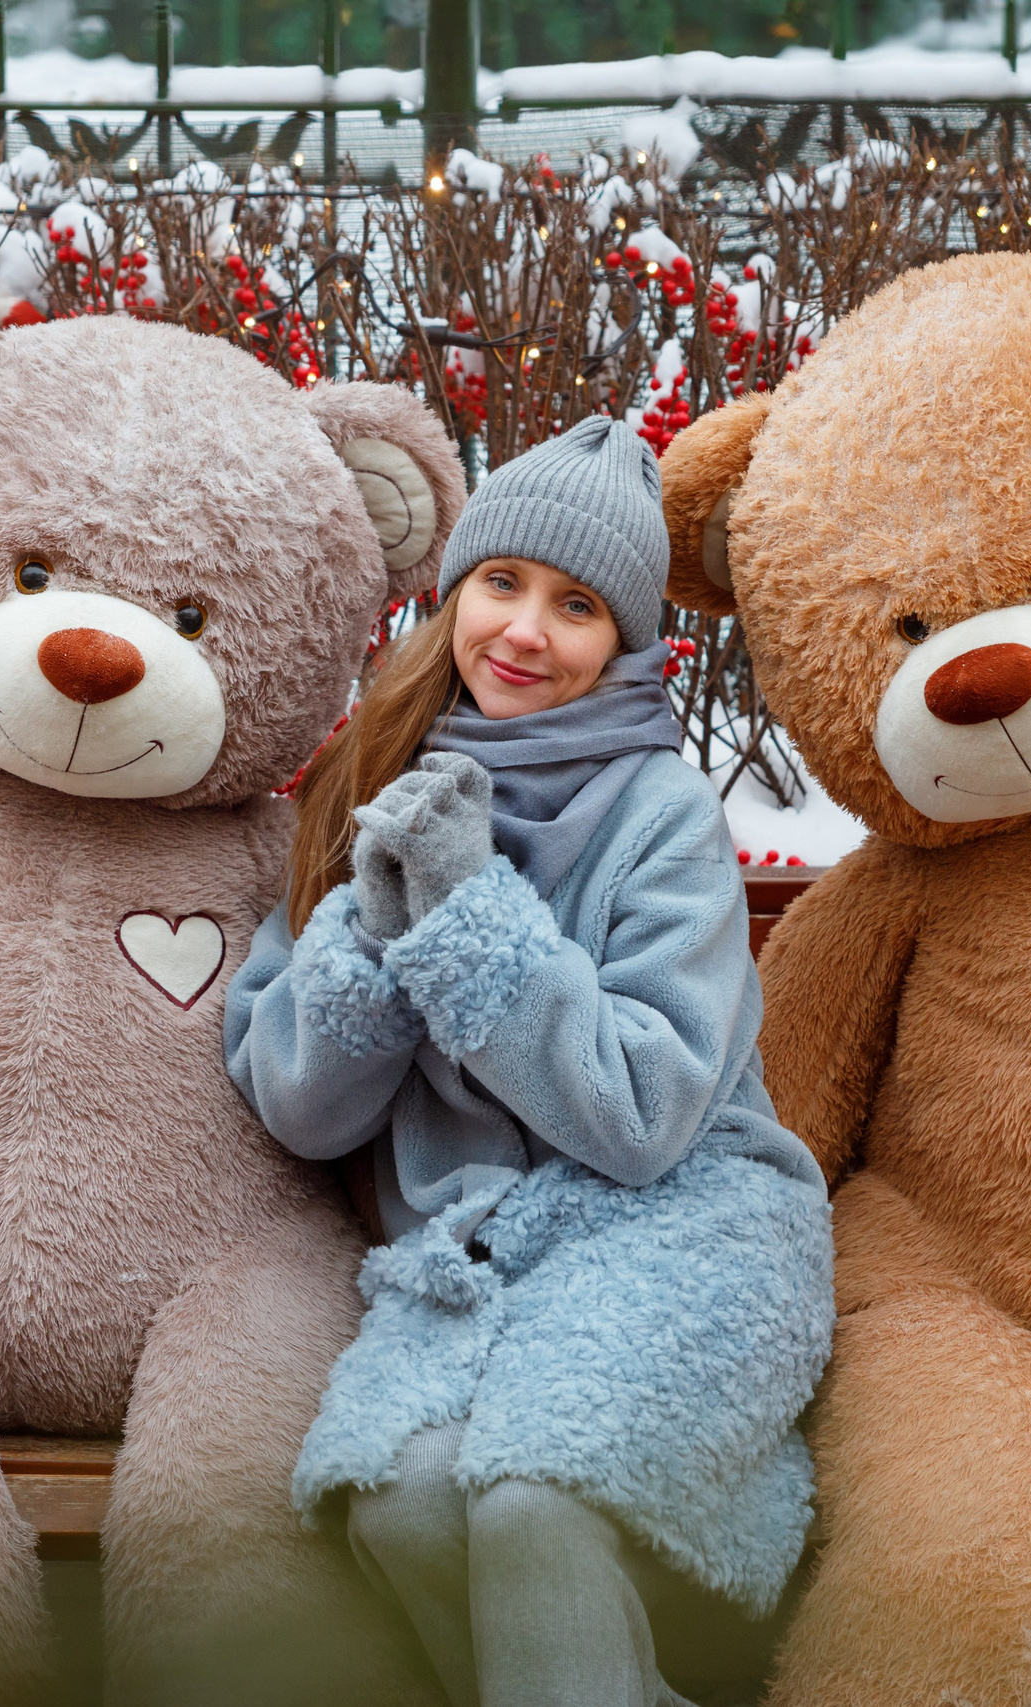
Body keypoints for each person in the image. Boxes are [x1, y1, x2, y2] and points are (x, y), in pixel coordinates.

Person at [224, 416, 835, 1707]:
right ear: (455, 593)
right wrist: (377, 932)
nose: (525, 631)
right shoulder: (383, 786)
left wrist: (468, 918)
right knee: (399, 1498)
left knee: (528, 1503)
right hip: (477, 1262)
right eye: (502, 584)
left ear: (624, 643)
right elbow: (299, 1107)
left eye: (576, 606)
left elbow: (641, 1114)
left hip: (677, 1231)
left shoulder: (659, 816)